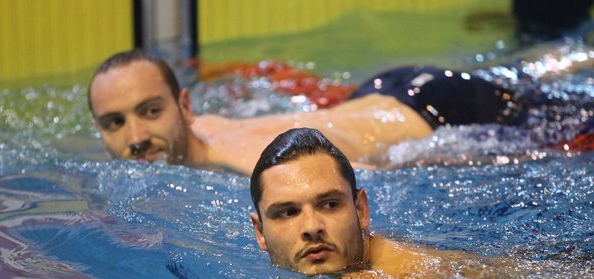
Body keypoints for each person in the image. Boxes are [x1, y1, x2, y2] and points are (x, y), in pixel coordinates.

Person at [62, 127, 517, 279]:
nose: (311, 227)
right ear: (259, 233)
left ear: (361, 212)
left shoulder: (383, 277)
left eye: (329, 205)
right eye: (286, 212)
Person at [88, 49, 545, 175]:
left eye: (150, 111)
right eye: (115, 122)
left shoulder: (251, 162)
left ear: (184, 107)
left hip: (439, 108)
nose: (135, 136)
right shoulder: (195, 133)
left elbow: (380, 179)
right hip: (373, 93)